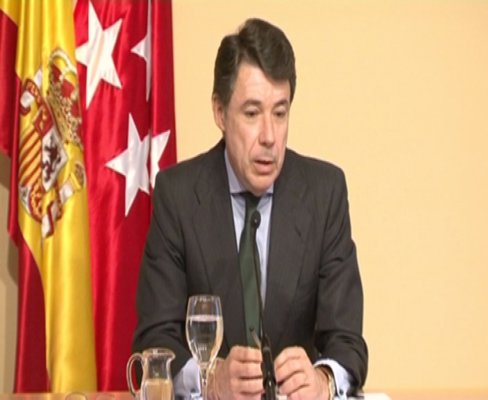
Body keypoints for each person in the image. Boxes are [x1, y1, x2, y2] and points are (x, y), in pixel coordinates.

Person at [132, 18, 368, 400]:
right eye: (252, 113)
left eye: (280, 113)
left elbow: (347, 341)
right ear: (220, 112)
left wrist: (323, 381)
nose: (269, 137)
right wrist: (210, 380)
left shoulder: (325, 194)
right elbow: (155, 339)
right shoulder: (178, 196)